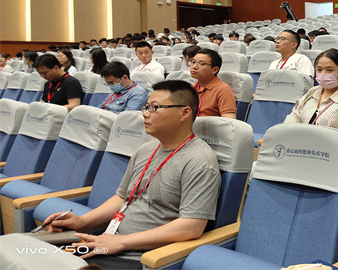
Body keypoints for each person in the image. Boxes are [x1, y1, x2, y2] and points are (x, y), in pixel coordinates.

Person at [43, 80, 221, 267]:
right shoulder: (146, 149)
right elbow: (122, 198)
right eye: (146, 107)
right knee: (37, 253)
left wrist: (122, 242)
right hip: (108, 242)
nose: (145, 113)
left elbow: (192, 226)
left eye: (154, 108)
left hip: (142, 257)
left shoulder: (200, 161)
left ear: (184, 113)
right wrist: (82, 222)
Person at [284, 49, 338, 142]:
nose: (323, 74)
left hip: (330, 149)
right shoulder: (312, 92)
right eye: (319, 69)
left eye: (329, 70)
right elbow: (291, 121)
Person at [190, 49, 236, 118]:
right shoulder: (191, 89)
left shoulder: (223, 89)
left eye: (202, 64)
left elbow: (229, 120)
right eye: (193, 62)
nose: (194, 67)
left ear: (214, 70)